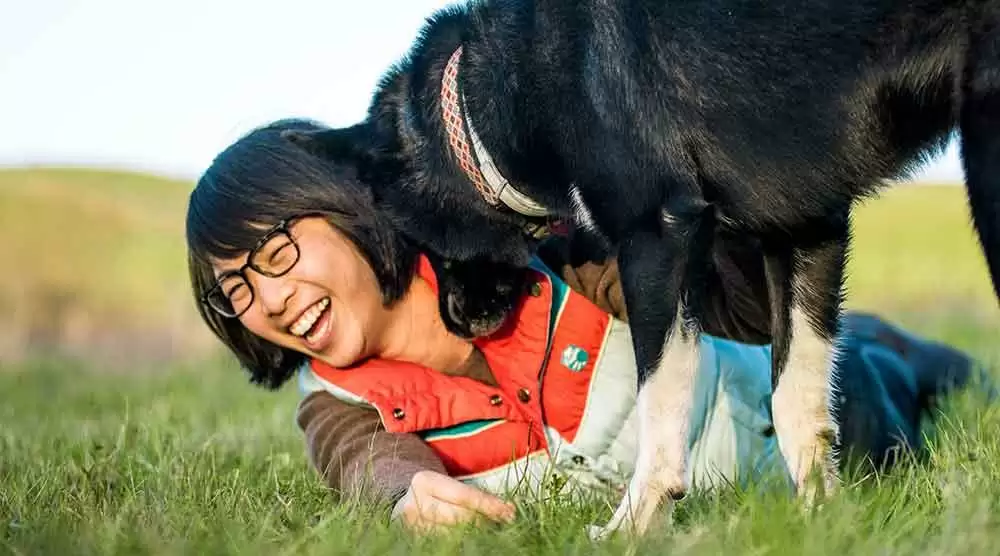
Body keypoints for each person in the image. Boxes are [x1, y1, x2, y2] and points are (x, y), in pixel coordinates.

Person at [186, 119, 989, 532]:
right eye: (237, 289)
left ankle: (935, 360)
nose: (269, 297)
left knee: (903, 376)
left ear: (350, 205)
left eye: (278, 251)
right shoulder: (336, 399)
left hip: (795, 420)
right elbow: (356, 457)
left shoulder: (529, 259)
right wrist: (405, 492)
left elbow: (739, 308)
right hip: (713, 477)